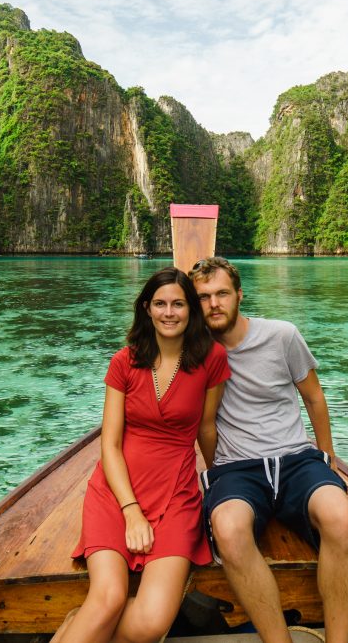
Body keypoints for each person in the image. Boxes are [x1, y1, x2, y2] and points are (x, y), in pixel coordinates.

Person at [54, 267, 230, 643]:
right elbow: (110, 444)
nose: (169, 313)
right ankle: (91, 621)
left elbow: (207, 428)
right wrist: (130, 510)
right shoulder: (125, 361)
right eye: (160, 304)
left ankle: (81, 627)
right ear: (147, 308)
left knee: (152, 622)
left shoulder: (211, 359)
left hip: (176, 495)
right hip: (116, 492)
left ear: (191, 310)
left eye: (179, 304)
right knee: (109, 599)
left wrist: (223, 484)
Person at [189, 256, 348, 643]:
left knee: (340, 517)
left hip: (297, 459)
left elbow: (314, 398)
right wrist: (216, 472)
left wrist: (329, 459)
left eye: (222, 294)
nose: (214, 304)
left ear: (239, 296)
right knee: (229, 530)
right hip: (237, 467)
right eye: (203, 297)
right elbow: (202, 422)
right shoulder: (195, 353)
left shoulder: (282, 335)